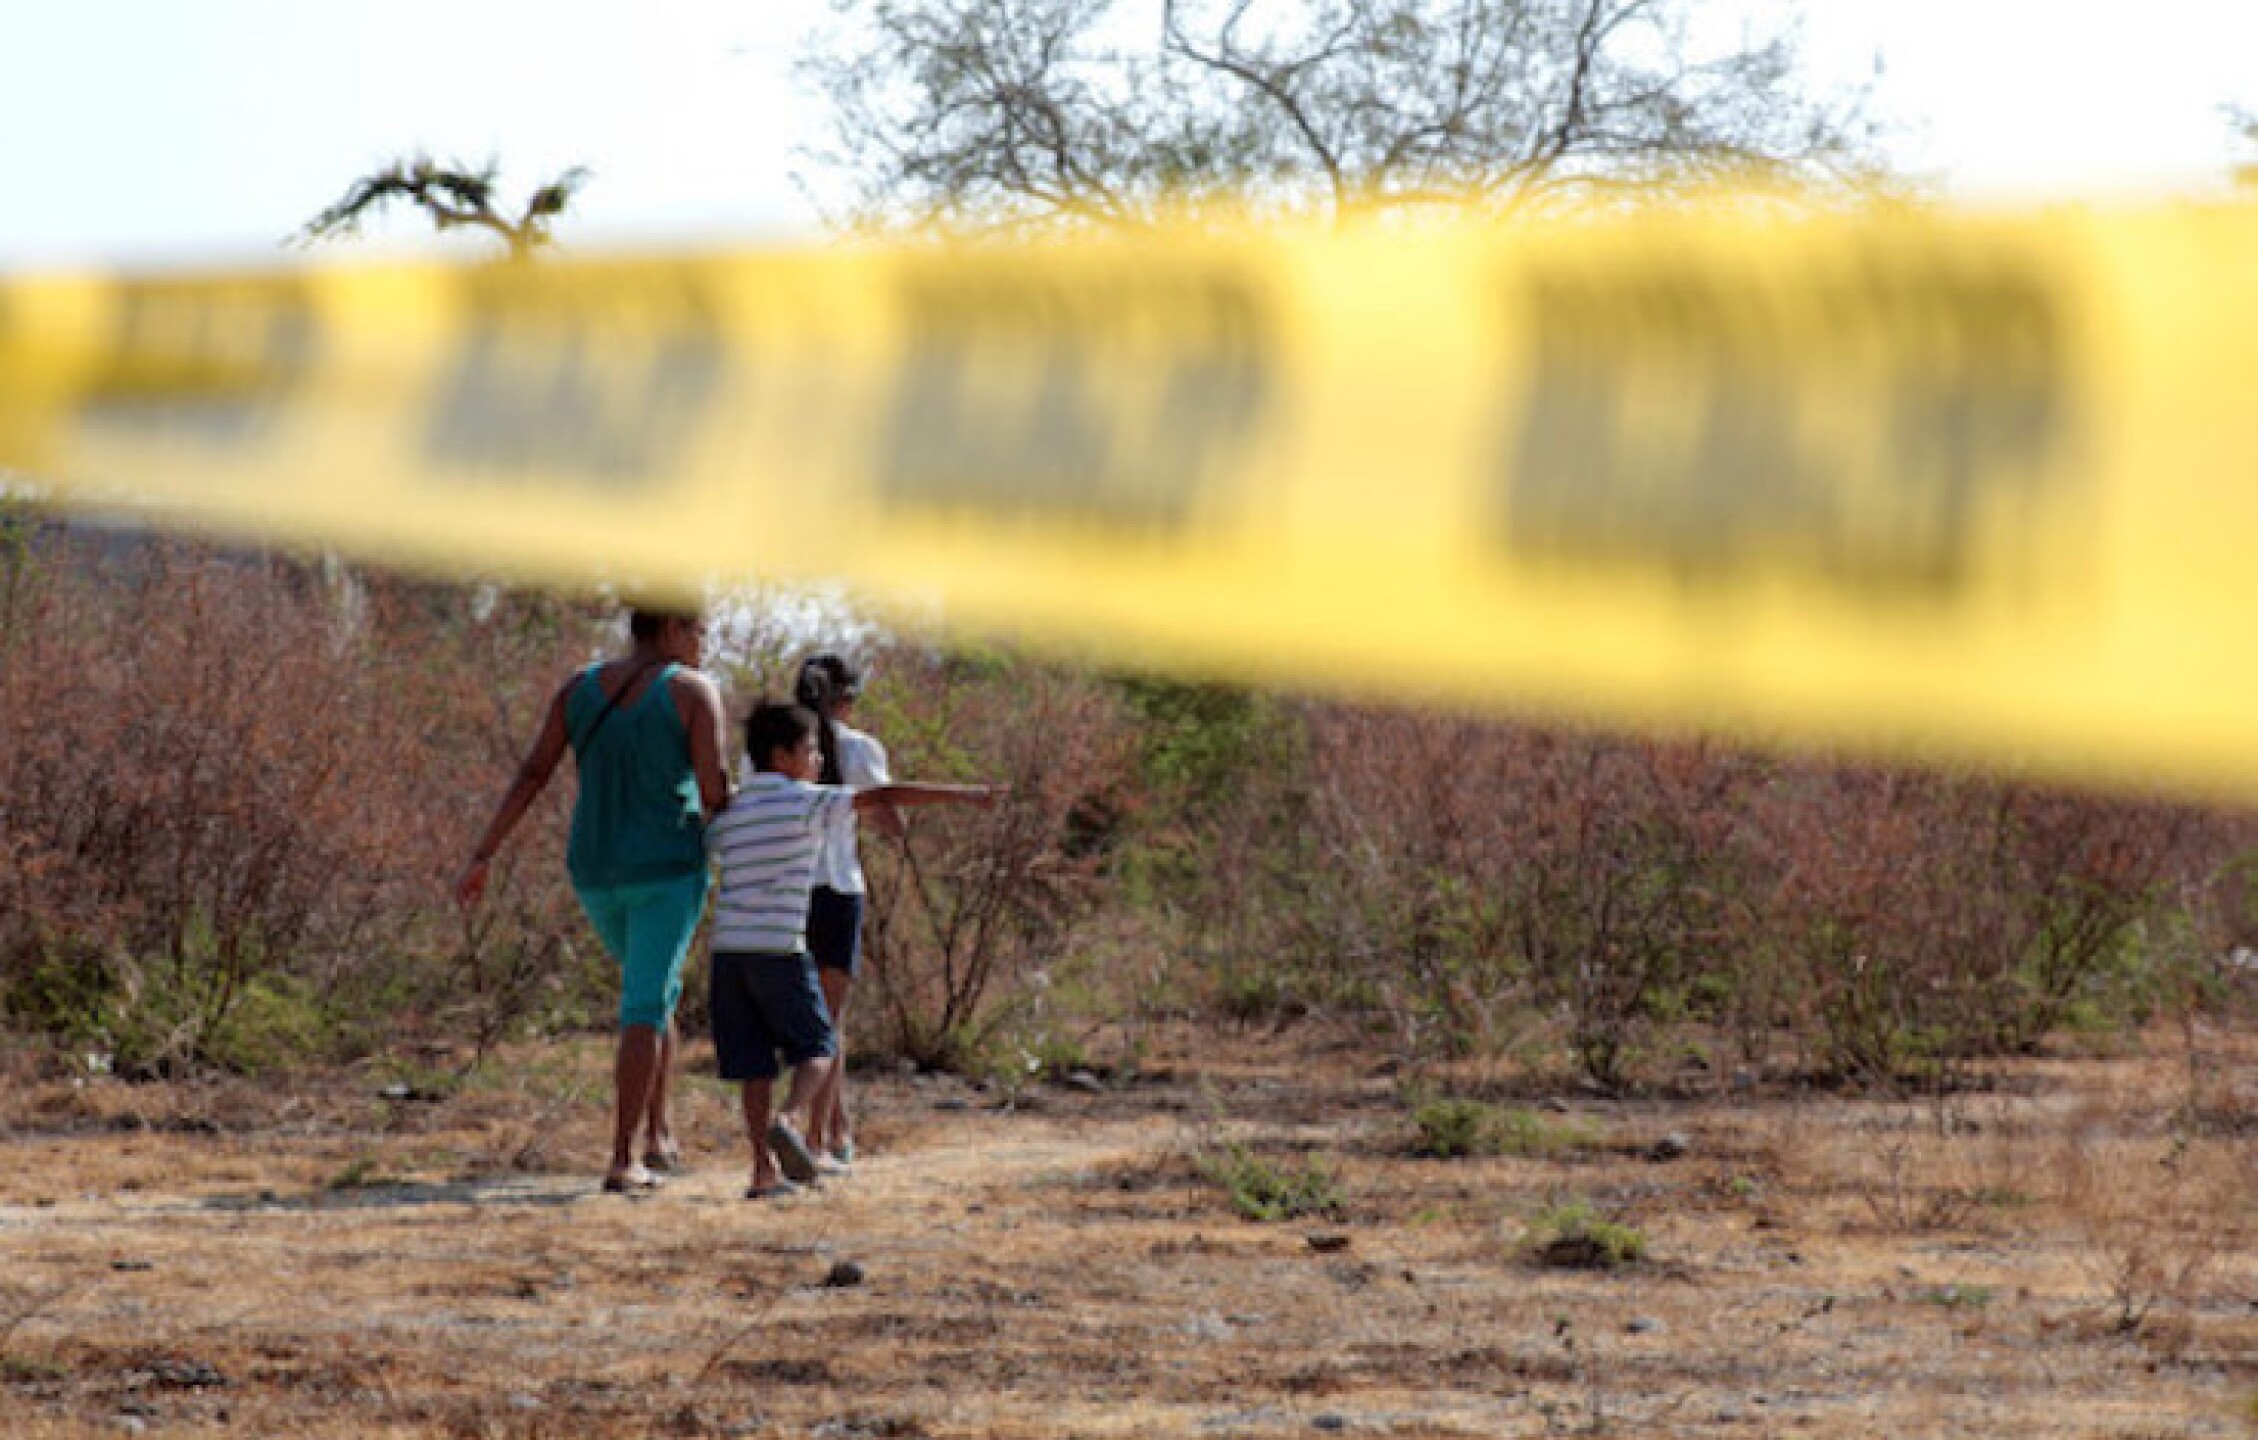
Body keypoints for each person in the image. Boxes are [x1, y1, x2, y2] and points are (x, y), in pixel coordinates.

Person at [454, 604, 729, 1194]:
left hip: (595, 870)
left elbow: (533, 773)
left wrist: (483, 854)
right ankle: (623, 1157)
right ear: (672, 629)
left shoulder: (577, 690)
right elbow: (713, 790)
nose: (704, 644)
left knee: (653, 990)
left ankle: (659, 1133)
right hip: (666, 869)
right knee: (644, 1005)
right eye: (699, 631)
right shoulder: (692, 692)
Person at [710, 698, 997, 1199]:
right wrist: (963, 795)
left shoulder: (731, 809)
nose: (819, 760)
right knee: (820, 1046)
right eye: (810, 750)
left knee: (754, 1067)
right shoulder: (807, 801)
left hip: (728, 952)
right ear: (782, 756)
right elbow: (884, 795)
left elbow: (706, 844)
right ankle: (789, 1118)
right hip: (780, 947)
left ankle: (762, 1171)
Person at [793, 654, 901, 1166]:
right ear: (846, 700)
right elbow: (888, 819)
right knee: (829, 1020)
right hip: (837, 887)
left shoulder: (775, 745)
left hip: (786, 888)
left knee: (803, 1016)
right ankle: (818, 1138)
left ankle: (837, 1129)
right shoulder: (858, 748)